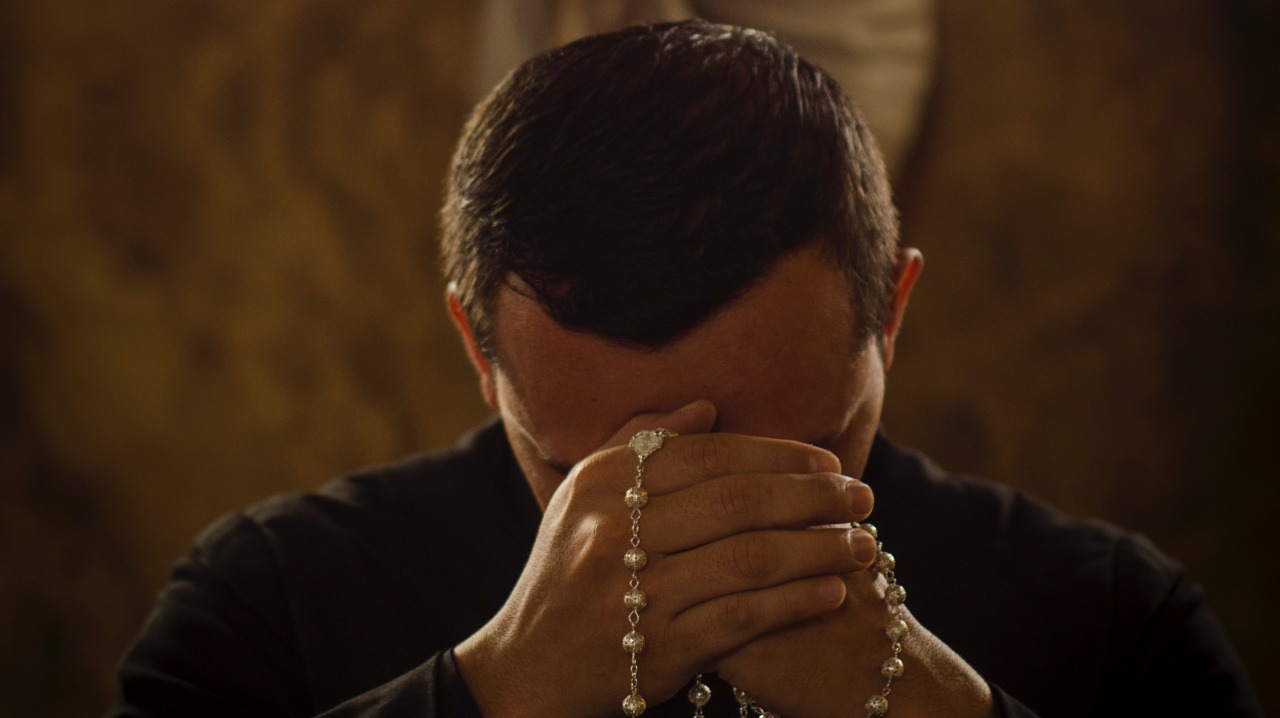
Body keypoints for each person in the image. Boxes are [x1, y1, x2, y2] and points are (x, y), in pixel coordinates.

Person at [110, 20, 1260, 718]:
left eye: (793, 453)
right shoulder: (268, 603)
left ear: (890, 313)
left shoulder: (1111, 622)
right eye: (583, 466)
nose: (686, 520)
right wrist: (493, 692)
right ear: (476, 349)